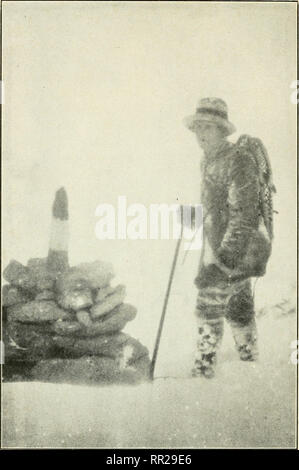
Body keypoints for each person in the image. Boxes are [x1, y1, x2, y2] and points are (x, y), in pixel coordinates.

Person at [183, 97, 264, 379]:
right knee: (239, 304)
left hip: (236, 251)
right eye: (198, 128)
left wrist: (223, 261)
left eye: (208, 127)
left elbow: (244, 216)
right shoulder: (209, 160)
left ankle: (203, 371)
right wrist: (191, 223)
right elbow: (212, 206)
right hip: (219, 247)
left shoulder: (238, 160)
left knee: (208, 303)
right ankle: (250, 362)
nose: (201, 134)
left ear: (222, 130)